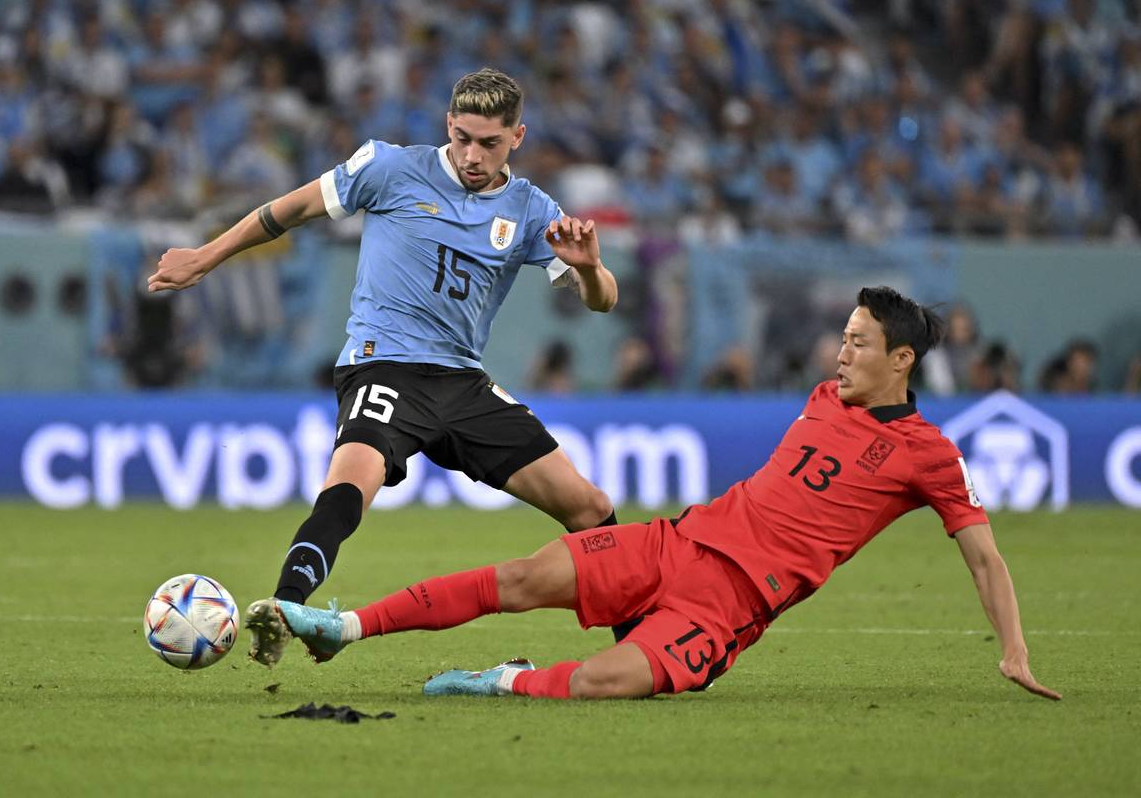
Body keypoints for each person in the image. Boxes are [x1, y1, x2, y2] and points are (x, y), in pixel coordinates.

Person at [258, 287, 1061, 702]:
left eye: (858, 342)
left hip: (726, 609)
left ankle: (499, 681)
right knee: (524, 577)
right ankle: (345, 625)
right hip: (675, 542)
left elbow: (985, 559)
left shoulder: (928, 456)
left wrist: (1014, 649)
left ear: (905, 359)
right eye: (842, 337)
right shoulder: (823, 397)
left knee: (605, 685)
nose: (841, 352)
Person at [146, 68, 620, 666]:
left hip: (463, 382)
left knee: (592, 508)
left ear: (517, 137)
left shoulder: (530, 210)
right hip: (384, 366)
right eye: (463, 137)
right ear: (448, 125)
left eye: (489, 143)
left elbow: (601, 302)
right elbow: (287, 211)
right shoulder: (390, 168)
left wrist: (587, 268)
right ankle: (286, 608)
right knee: (349, 488)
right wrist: (204, 258)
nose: (473, 155)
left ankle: (639, 646)